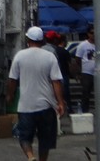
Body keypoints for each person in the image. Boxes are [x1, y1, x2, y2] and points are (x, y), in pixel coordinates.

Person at [6, 26, 65, 161]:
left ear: (28, 39)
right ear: (42, 40)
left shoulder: (20, 56)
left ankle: (31, 157)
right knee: (45, 139)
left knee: (25, 137)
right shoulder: (50, 57)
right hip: (46, 105)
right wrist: (60, 102)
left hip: (26, 106)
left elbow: (12, 80)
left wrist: (10, 95)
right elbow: (56, 82)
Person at [75, 26, 95, 113]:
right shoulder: (83, 45)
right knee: (86, 93)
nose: (93, 35)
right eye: (91, 33)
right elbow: (78, 59)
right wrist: (80, 71)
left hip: (97, 72)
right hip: (87, 73)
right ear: (88, 34)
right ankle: (84, 111)